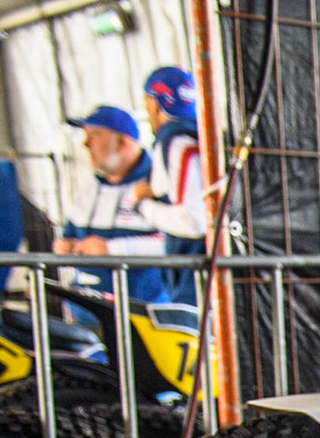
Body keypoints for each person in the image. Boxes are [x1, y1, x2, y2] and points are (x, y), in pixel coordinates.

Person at [52, 105, 170, 306]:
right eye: (86, 136)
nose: (85, 144)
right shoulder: (88, 190)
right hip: (86, 311)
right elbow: (69, 235)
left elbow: (177, 242)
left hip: (143, 313)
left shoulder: (161, 184)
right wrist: (65, 246)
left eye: (95, 135)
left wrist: (111, 249)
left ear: (123, 142)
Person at [130, 66, 206, 305]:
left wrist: (142, 205)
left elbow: (194, 221)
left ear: (154, 103)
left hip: (194, 279)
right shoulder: (201, 138)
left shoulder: (176, 144)